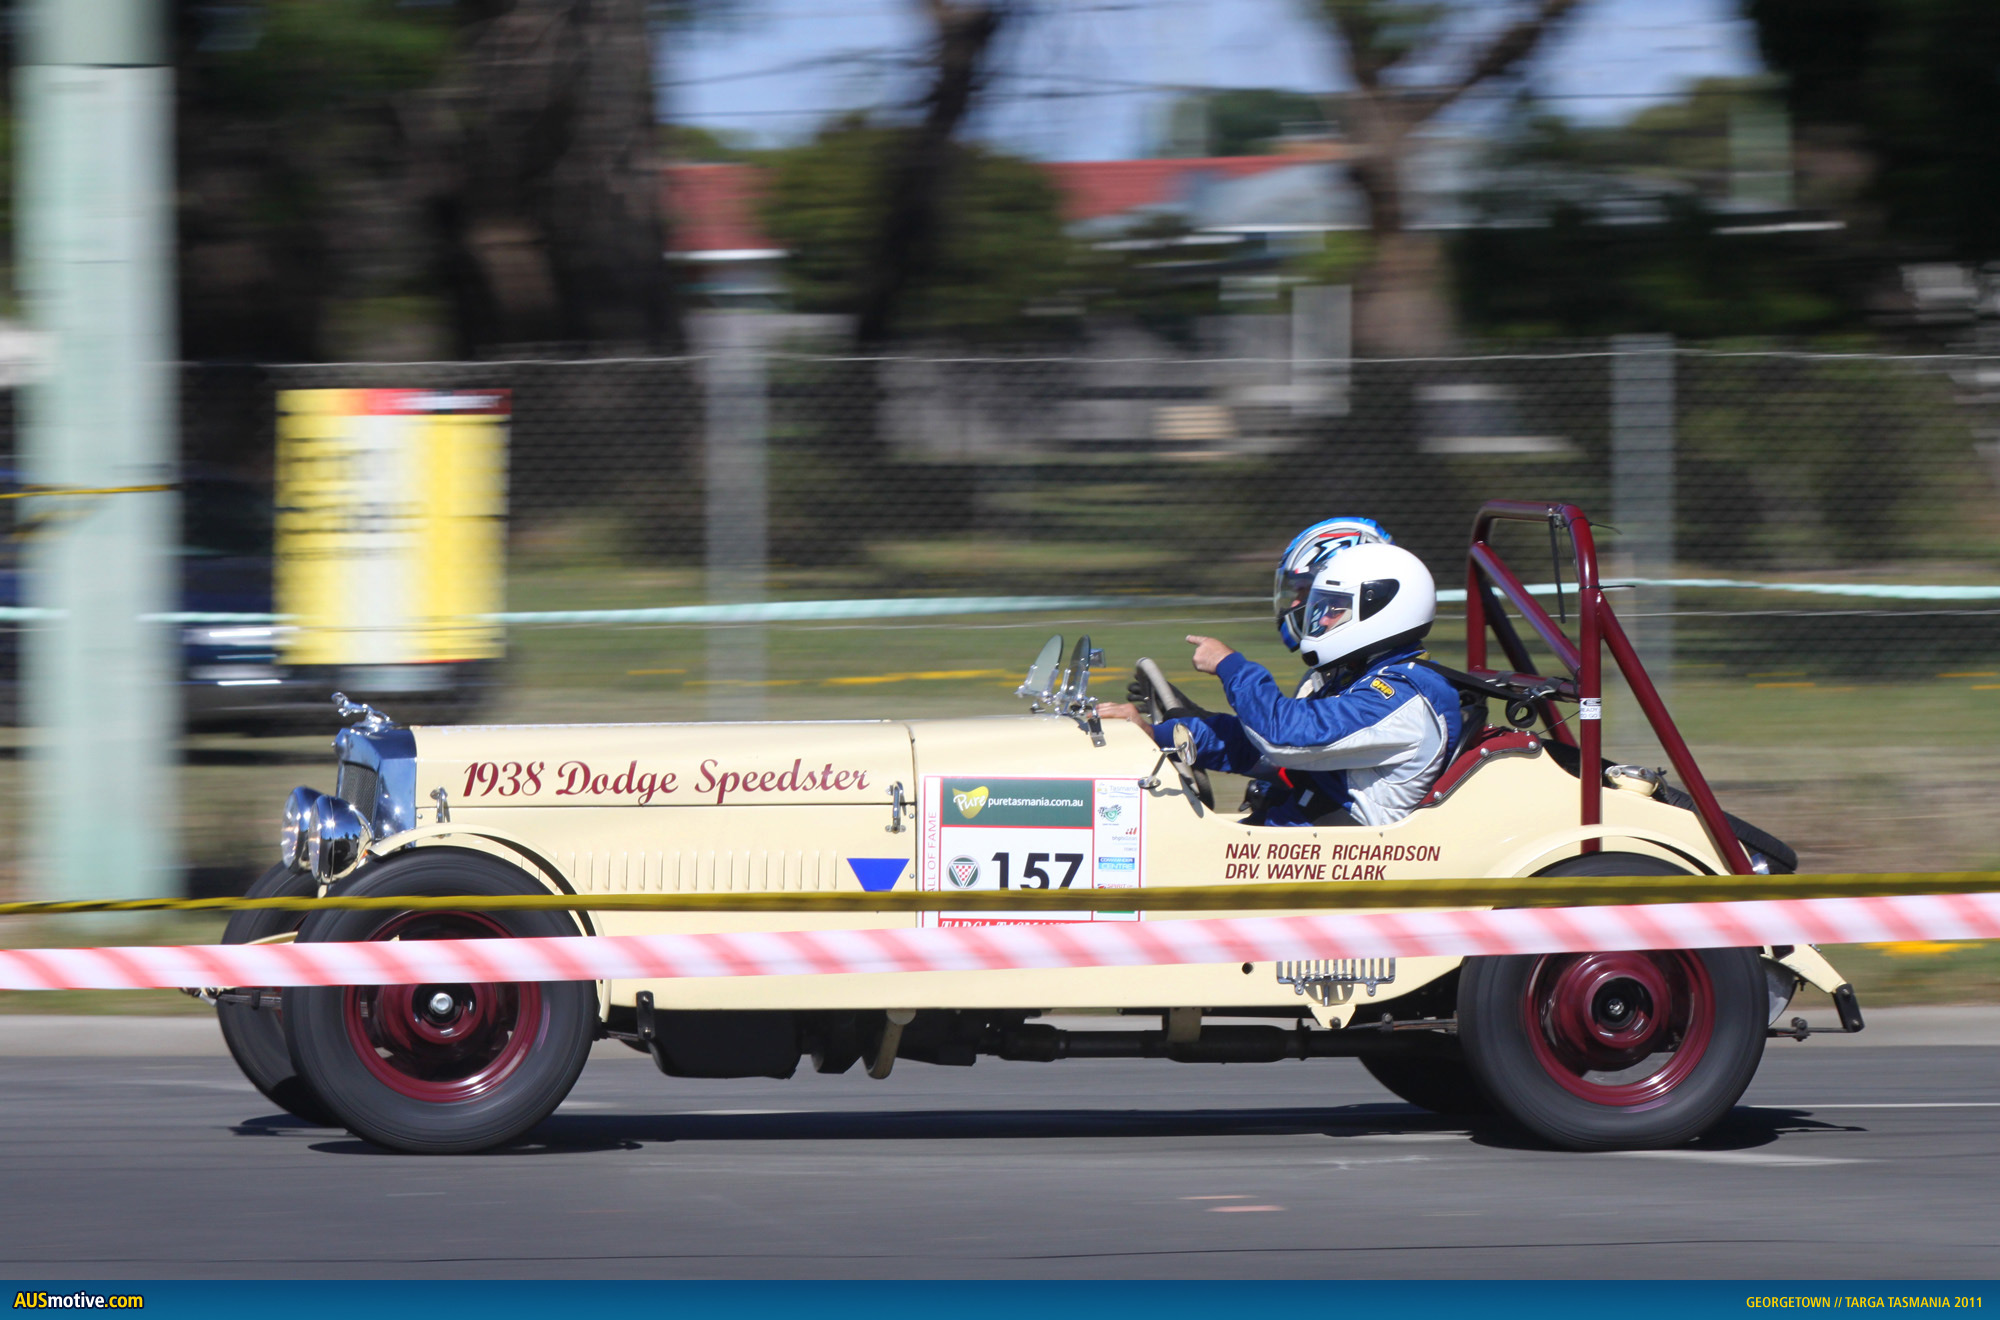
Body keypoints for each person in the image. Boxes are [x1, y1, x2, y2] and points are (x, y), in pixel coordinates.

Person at [1100, 539, 1461, 827]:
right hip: (1299, 839)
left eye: (1335, 609)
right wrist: (1155, 735)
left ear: (1381, 611)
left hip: (1333, 861)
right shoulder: (1360, 678)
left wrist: (1231, 666)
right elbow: (1257, 747)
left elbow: (1280, 736)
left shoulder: (1400, 696)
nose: (1322, 620)